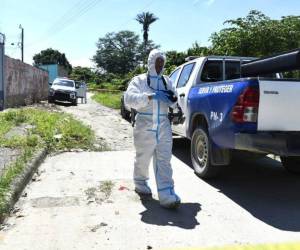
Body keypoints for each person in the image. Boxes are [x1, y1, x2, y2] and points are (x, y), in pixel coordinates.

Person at [124, 49, 181, 209]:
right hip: (145, 124)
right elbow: (128, 100)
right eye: (157, 62)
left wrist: (172, 100)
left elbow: (175, 101)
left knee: (164, 160)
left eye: (162, 62)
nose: (160, 65)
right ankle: (140, 183)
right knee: (143, 158)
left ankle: (167, 195)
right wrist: (149, 96)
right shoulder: (139, 80)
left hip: (163, 125)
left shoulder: (167, 81)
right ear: (151, 62)